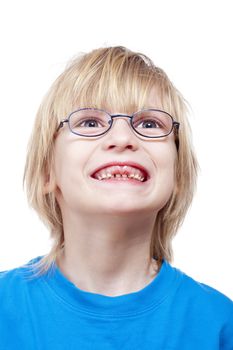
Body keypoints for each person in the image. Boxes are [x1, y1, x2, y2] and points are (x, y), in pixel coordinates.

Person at [0, 46, 232, 349]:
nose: (123, 139)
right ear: (47, 171)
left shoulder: (219, 324)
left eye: (150, 124)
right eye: (90, 122)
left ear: (177, 174)